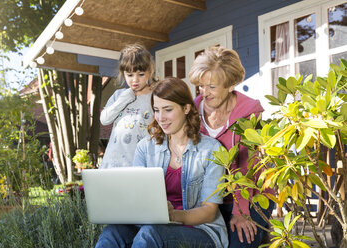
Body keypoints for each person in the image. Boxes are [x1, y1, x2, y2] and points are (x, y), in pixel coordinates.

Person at [96, 77, 229, 248]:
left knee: (150, 234)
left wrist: (173, 216)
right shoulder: (145, 148)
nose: (161, 118)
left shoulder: (212, 150)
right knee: (111, 234)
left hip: (201, 230)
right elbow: (138, 197)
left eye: (167, 110)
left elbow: (209, 212)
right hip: (152, 227)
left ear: (186, 108)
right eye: (156, 110)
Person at [189, 46, 275, 248]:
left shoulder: (248, 111)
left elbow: (247, 165)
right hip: (212, 199)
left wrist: (241, 212)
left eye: (211, 87)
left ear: (230, 85)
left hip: (252, 195)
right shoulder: (193, 109)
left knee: (240, 243)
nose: (204, 93)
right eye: (201, 86)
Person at [99, 44, 156, 168]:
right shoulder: (119, 95)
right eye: (130, 75)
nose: (135, 80)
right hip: (113, 161)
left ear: (150, 72)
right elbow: (104, 119)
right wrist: (123, 99)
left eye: (141, 74)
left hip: (139, 163)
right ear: (123, 74)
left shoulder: (155, 97)